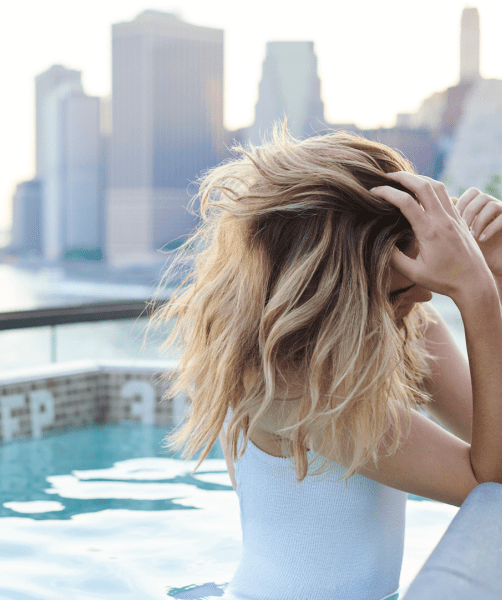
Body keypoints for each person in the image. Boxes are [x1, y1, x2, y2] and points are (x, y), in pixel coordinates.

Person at [153, 129, 502, 600]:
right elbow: (489, 482)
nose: (426, 292)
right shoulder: (293, 392)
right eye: (400, 286)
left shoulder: (405, 324)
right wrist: (477, 296)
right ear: (337, 294)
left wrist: (494, 276)